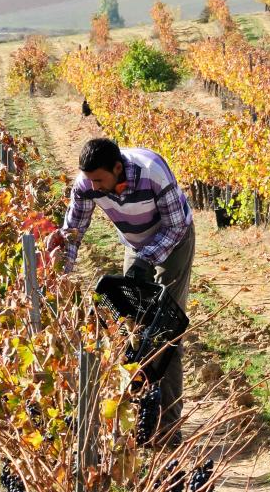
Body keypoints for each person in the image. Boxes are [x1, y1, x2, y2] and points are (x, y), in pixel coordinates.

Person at [47, 138, 194, 444]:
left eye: (100, 180)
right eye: (91, 181)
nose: (95, 187)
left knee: (164, 331)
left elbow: (176, 227)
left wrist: (146, 259)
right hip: (135, 243)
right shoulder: (88, 183)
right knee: (130, 330)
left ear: (117, 169)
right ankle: (140, 419)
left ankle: (168, 428)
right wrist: (60, 271)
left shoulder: (152, 173)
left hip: (174, 242)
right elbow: (75, 231)